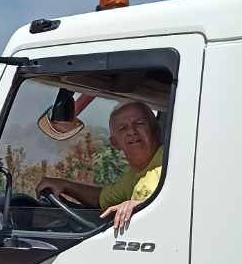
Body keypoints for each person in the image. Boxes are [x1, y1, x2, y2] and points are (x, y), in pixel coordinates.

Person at [37, 100, 164, 236]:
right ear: (114, 143)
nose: (132, 131)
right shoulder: (134, 176)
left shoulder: (168, 163)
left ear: (156, 131)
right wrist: (64, 185)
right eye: (123, 128)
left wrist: (141, 205)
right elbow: (101, 199)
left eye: (139, 123)